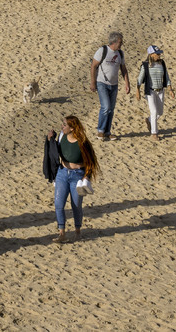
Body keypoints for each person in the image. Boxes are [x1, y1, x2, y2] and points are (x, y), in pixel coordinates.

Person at [47, 115, 99, 243]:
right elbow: (53, 152)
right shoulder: (61, 136)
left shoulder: (82, 142)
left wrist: (86, 177)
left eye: (64, 125)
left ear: (72, 128)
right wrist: (50, 139)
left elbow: (91, 162)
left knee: (76, 205)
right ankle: (62, 233)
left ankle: (77, 232)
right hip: (62, 173)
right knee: (59, 204)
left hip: (77, 175)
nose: (62, 126)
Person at [90, 32, 131, 140]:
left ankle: (107, 132)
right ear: (114, 42)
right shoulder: (102, 50)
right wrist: (93, 82)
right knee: (106, 107)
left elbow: (123, 69)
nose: (121, 44)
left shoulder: (120, 53)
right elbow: (93, 66)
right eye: (120, 42)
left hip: (114, 84)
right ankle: (100, 130)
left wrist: (127, 83)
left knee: (111, 109)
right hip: (102, 83)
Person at [136, 45, 174, 138]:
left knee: (160, 112)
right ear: (151, 54)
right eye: (157, 54)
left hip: (160, 90)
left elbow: (166, 77)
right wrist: (138, 91)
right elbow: (139, 79)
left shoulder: (162, 63)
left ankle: (149, 120)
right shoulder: (145, 65)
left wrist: (170, 89)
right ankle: (154, 133)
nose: (159, 55)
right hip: (150, 91)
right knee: (154, 111)